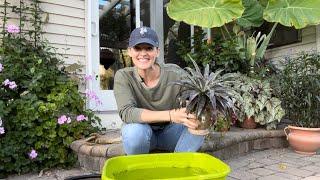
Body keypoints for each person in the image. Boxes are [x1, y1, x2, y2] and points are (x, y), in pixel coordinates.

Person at [113, 26, 206, 155]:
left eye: (149, 48)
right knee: (133, 132)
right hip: (144, 134)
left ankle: (178, 169)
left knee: (198, 124)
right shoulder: (123, 76)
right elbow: (127, 113)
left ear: (157, 51)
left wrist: (202, 110)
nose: (143, 53)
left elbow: (195, 97)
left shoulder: (175, 73)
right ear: (129, 51)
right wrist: (171, 114)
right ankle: (140, 172)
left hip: (171, 132)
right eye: (137, 48)